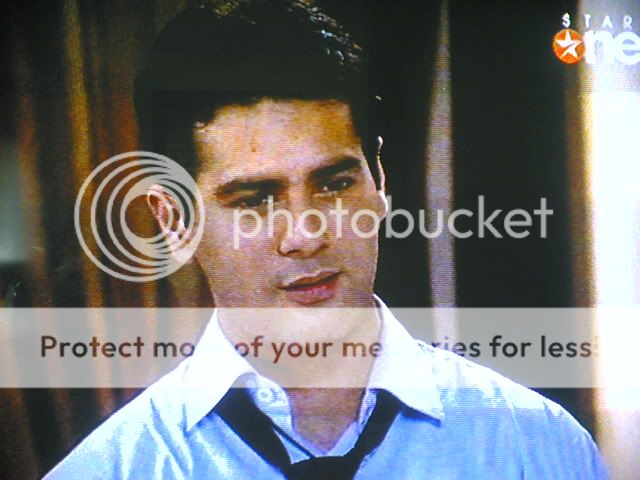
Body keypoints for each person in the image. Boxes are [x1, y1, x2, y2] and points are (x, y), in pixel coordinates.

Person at [46, 1, 607, 478]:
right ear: (174, 221)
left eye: (335, 184)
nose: (306, 235)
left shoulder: (539, 448)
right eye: (255, 199)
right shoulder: (111, 469)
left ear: (380, 180)